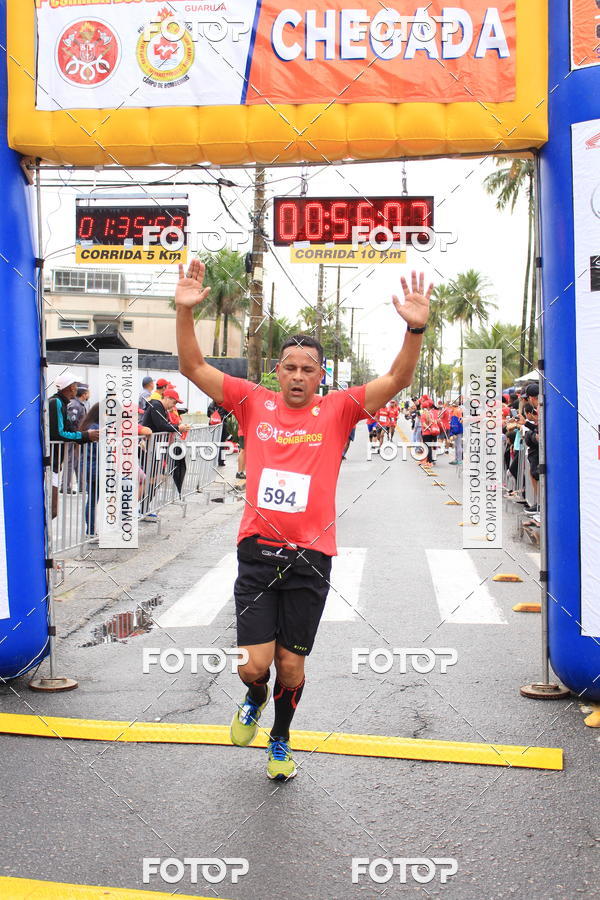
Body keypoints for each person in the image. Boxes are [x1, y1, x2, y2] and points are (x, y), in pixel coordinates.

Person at [175, 259, 431, 780]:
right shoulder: (252, 402)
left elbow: (399, 377)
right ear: (278, 371)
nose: (297, 374)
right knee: (255, 666)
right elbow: (192, 366)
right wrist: (184, 313)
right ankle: (253, 696)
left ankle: (281, 737)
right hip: (257, 551)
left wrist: (415, 327)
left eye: (307, 368)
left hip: (311, 557)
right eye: (289, 366)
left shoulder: (338, 410)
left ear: (320, 375)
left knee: (292, 667)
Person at [49, 372, 99, 518]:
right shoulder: (56, 402)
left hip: (55, 461)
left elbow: (70, 428)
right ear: (71, 388)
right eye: (76, 385)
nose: (77, 388)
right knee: (52, 510)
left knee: (53, 511)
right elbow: (59, 433)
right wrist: (85, 435)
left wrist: (88, 435)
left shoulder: (63, 403)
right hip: (51, 462)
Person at [62, 383, 90, 493]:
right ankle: (65, 486)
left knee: (78, 461)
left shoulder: (80, 404)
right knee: (70, 461)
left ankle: (82, 487)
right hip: (75, 438)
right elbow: (72, 421)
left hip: (79, 438)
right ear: (84, 394)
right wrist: (76, 437)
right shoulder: (75, 405)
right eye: (88, 392)